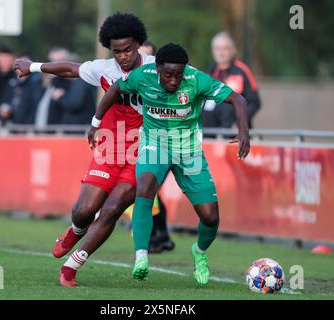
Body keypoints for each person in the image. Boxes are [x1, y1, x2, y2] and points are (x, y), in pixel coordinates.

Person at [88, 43, 250, 285]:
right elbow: (114, 89)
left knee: (210, 217)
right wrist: (95, 121)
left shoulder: (197, 79)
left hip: (188, 152)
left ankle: (200, 251)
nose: (174, 80)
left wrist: (244, 132)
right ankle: (141, 256)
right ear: (158, 69)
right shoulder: (143, 75)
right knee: (144, 188)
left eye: (179, 74)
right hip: (155, 144)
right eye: (168, 75)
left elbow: (238, 99)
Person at [13, 13, 153, 287]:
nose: (123, 56)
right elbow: (71, 69)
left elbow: (187, 82)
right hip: (110, 145)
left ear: (138, 44)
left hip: (145, 151)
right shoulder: (105, 68)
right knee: (84, 210)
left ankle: (71, 267)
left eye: (128, 50)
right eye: (116, 51)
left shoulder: (155, 68)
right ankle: (76, 229)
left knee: (112, 209)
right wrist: (33, 67)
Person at [138, 40, 175, 254]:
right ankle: (160, 235)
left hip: (162, 141)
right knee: (149, 190)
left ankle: (154, 237)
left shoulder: (166, 83)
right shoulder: (136, 80)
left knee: (149, 189)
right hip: (136, 138)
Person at [203, 32, 261, 129]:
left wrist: (240, 122)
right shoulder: (209, 71)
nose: (221, 53)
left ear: (233, 50)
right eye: (217, 49)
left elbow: (255, 103)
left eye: (225, 48)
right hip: (210, 133)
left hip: (233, 135)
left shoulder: (242, 71)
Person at [0, 54, 44, 125]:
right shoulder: (12, 83)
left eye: (24, 64)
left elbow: (36, 107)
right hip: (13, 126)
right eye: (17, 65)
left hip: (28, 128)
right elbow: (6, 100)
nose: (20, 67)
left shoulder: (36, 83)